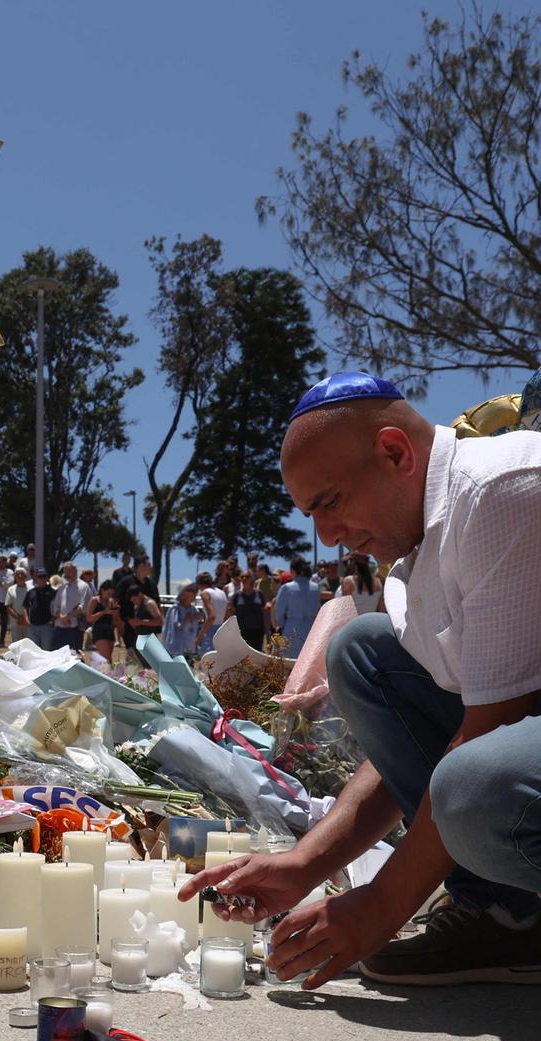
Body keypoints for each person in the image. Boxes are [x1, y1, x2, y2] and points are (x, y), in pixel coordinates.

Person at [182, 369, 541, 990]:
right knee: (361, 652)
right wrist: (305, 863)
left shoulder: (497, 489)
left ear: (395, 452)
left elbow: (485, 736)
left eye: (330, 502)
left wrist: (377, 910)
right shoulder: (421, 546)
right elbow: (448, 725)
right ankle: (509, 915)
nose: (326, 537)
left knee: (478, 789)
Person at [272, 556, 321, 656]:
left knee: (290, 661)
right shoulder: (315, 587)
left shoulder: (286, 588)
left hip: (291, 628)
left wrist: (281, 626)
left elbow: (280, 612)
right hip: (311, 628)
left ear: (293, 570)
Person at [50, 562, 90, 652]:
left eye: (69, 571)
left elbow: (83, 607)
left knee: (74, 656)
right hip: (59, 627)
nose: (67, 574)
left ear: (75, 571)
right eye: (65, 572)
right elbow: (55, 606)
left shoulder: (83, 586)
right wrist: (61, 617)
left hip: (74, 628)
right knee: (57, 654)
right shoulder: (62, 588)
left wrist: (67, 617)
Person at [226, 569, 267, 651]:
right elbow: (230, 615)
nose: (244, 579)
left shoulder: (259, 594)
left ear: (252, 578)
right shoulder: (236, 596)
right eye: (242, 577)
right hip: (242, 631)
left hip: (257, 631)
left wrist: (267, 632)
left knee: (257, 656)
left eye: (247, 577)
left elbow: (264, 614)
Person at [161, 583, 203, 658]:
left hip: (189, 648)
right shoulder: (175, 609)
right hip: (177, 648)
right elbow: (174, 628)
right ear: (183, 593)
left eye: (195, 591)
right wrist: (186, 620)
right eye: (191, 590)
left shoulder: (193, 609)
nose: (194, 593)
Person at [195, 570, 228, 654]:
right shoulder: (222, 592)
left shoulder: (205, 594)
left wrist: (199, 637)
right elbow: (227, 613)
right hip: (222, 629)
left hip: (210, 631)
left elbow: (211, 617)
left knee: (208, 661)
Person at [86, 580, 120, 660]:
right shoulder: (95, 600)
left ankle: (105, 671)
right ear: (102, 590)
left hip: (110, 630)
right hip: (99, 629)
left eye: (112, 594)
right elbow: (89, 618)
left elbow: (115, 620)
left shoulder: (111, 601)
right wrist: (104, 612)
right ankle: (106, 672)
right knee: (106, 657)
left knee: (108, 658)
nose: (110, 596)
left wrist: (115, 612)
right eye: (108, 593)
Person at [23, 569, 55, 648]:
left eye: (44, 576)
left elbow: (58, 607)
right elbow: (25, 607)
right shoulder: (31, 592)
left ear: (47, 577)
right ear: (36, 578)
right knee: (34, 650)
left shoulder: (52, 592)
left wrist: (52, 621)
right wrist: (27, 620)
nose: (42, 578)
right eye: (40, 576)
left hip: (46, 626)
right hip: (32, 626)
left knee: (46, 649)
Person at [6, 566, 30, 643]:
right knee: (16, 644)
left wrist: (25, 619)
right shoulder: (11, 589)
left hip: (28, 622)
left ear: (25, 576)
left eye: (22, 574)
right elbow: (8, 606)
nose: (20, 576)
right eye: (17, 574)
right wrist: (19, 618)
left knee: (28, 644)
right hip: (15, 622)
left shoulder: (31, 589)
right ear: (15, 577)